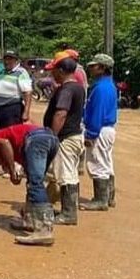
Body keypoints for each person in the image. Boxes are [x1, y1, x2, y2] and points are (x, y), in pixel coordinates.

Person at [0, 123, 59, 246]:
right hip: (50, 138)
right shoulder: (18, 148)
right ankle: (30, 220)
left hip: (35, 139)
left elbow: (4, 143)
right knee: (33, 181)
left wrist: (12, 171)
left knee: (35, 183)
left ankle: (44, 230)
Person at [43, 52, 86, 226]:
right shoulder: (77, 87)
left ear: (61, 70)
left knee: (66, 175)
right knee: (69, 173)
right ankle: (67, 209)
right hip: (73, 135)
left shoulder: (67, 90)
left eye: (54, 70)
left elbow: (61, 114)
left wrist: (52, 136)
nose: (51, 73)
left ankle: (69, 213)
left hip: (66, 138)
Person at [81, 54, 118, 211]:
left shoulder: (101, 88)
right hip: (106, 129)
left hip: (99, 130)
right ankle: (108, 197)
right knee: (106, 163)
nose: (91, 68)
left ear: (102, 68)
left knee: (97, 164)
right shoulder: (108, 85)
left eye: (94, 66)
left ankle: (100, 200)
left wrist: (90, 134)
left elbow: (97, 113)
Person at [0, 50, 33, 130]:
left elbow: (28, 92)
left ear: (16, 61)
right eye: (5, 59)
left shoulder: (21, 72)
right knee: (1, 133)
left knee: (11, 133)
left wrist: (26, 112)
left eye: (10, 59)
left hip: (12, 109)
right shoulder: (2, 72)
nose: (7, 62)